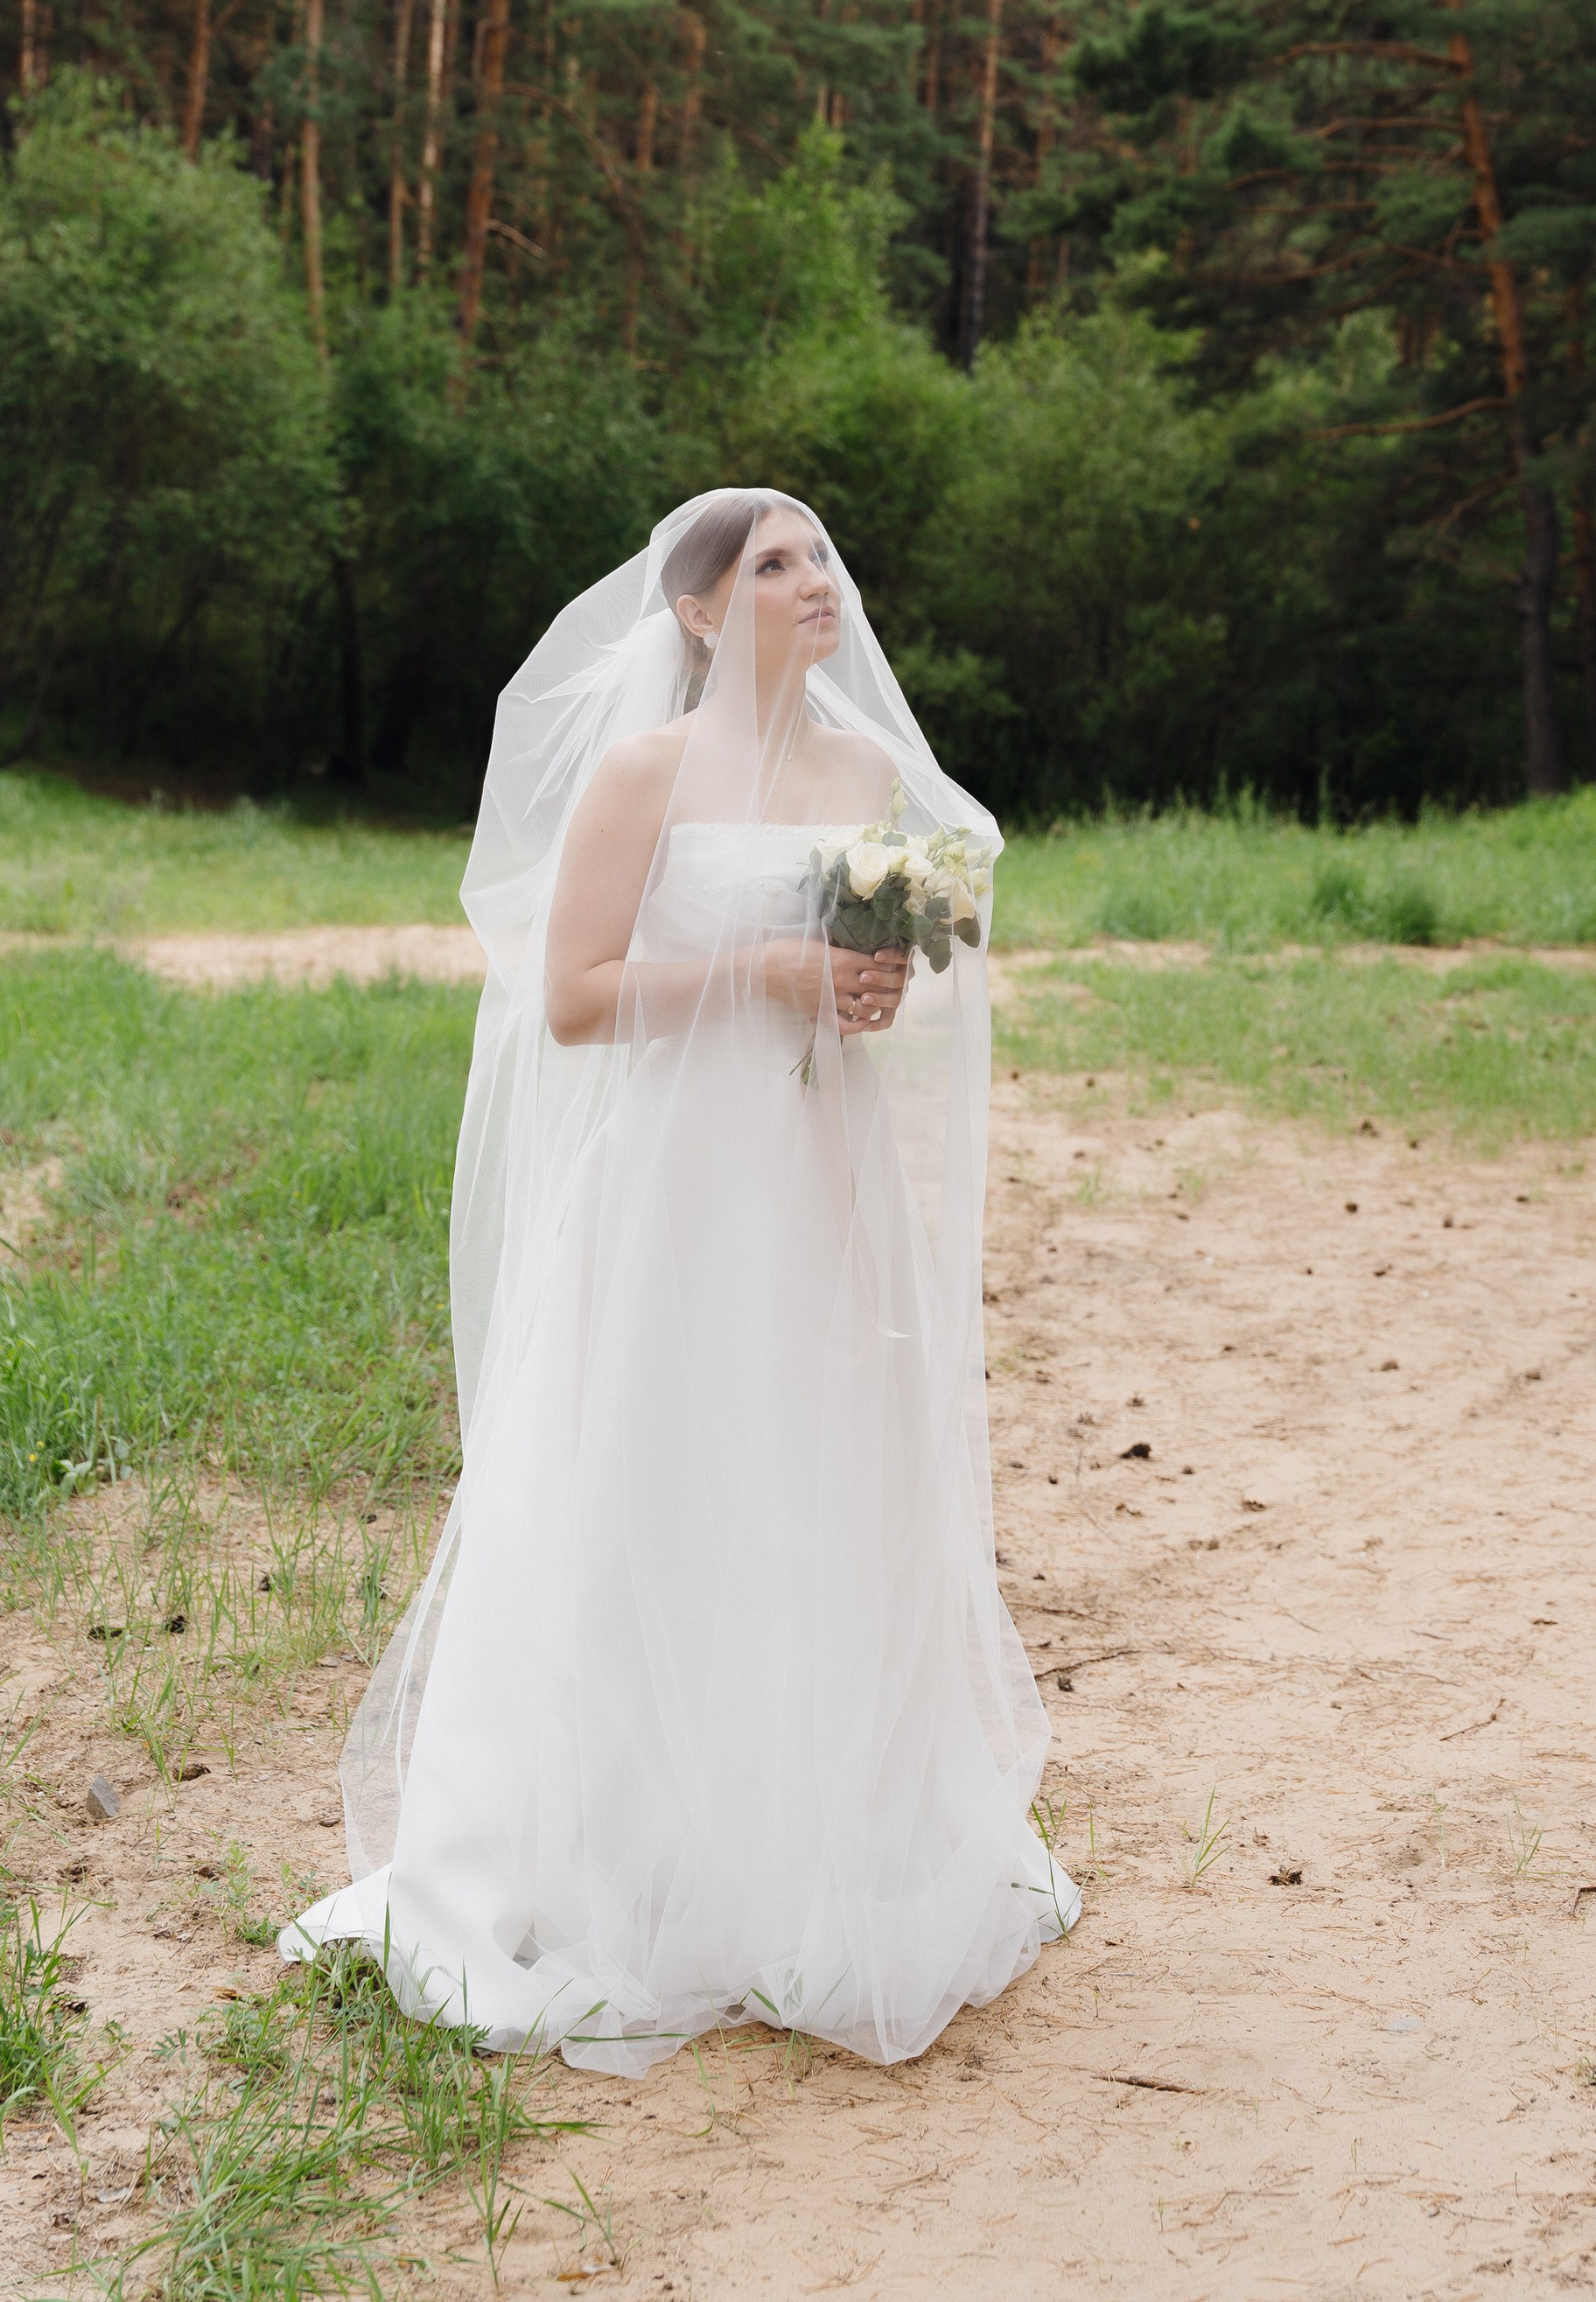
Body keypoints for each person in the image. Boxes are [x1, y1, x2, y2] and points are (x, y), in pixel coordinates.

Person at [282, 489, 1077, 2075]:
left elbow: (880, 997)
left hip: (817, 1180)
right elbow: (571, 1002)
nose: (814, 579)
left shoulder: (872, 777)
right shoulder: (643, 773)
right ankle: (613, 1853)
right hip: (668, 1190)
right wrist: (762, 974)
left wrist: (858, 991)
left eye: (823, 554)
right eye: (773, 563)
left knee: (818, 1475)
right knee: (656, 1473)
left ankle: (808, 1842)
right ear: (703, 612)